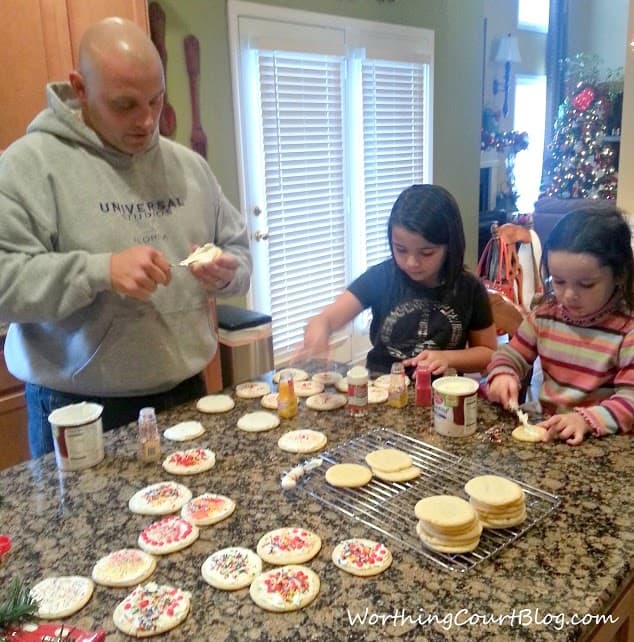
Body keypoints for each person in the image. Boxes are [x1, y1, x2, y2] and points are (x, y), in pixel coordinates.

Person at [0, 18, 252, 458]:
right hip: (78, 409)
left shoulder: (190, 167)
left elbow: (239, 254)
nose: (147, 120)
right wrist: (100, 270)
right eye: (124, 105)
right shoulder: (28, 166)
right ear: (80, 89)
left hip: (187, 394)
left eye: (156, 100)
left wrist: (228, 275)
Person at [302, 184, 497, 377]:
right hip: (382, 387)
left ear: (450, 246)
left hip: (441, 396)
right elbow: (327, 319)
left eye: (426, 252)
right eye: (401, 250)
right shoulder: (381, 277)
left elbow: (488, 354)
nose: (411, 262)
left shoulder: (469, 288)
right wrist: (321, 327)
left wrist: (448, 358)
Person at [487, 208, 634, 445]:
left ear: (619, 275)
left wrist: (586, 420)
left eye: (586, 284)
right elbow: (511, 354)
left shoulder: (627, 330)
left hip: (603, 443)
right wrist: (503, 373)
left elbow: (631, 400)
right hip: (549, 432)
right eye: (558, 281)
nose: (568, 295)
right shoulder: (545, 317)